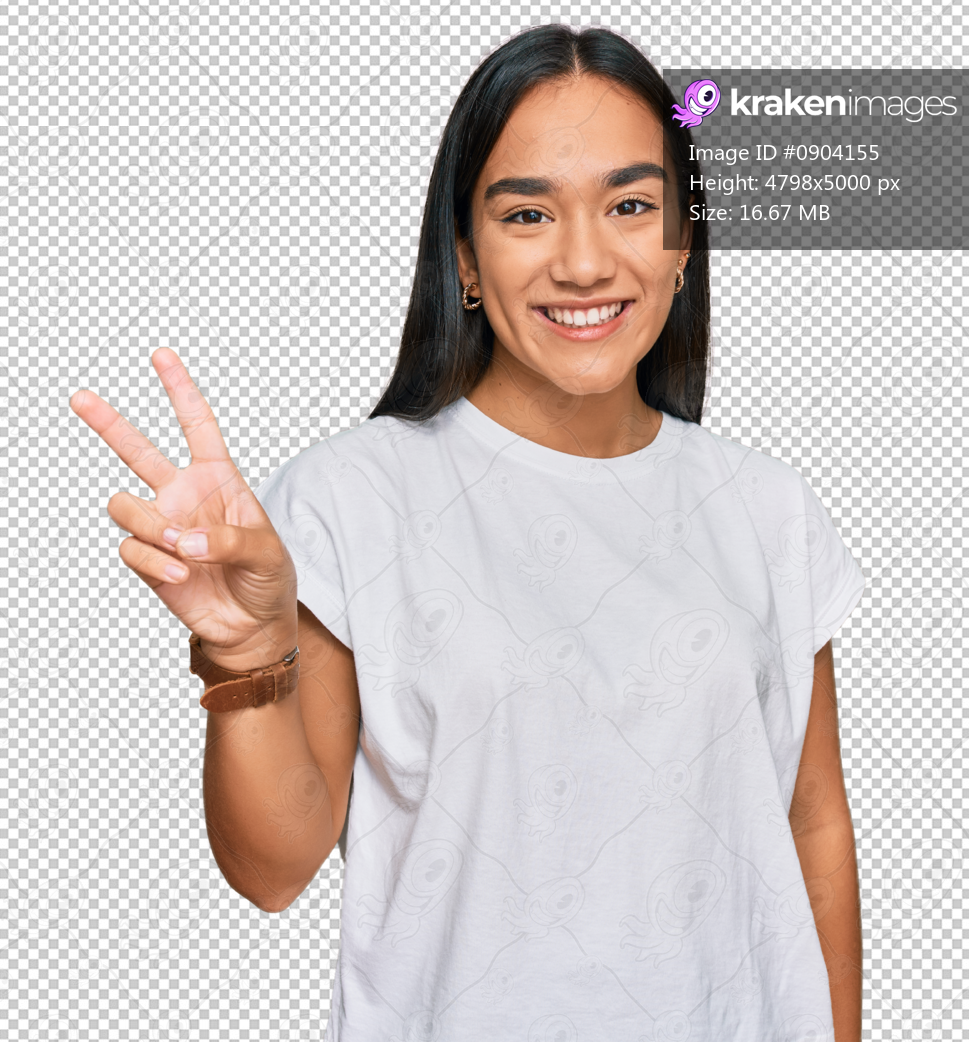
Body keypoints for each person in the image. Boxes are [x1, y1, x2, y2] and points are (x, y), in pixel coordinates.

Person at [70, 23, 865, 1042]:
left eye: (630, 206)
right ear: (467, 260)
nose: (583, 261)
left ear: (680, 248)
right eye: (527, 213)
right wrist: (244, 652)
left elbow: (811, 822)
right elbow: (273, 870)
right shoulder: (354, 496)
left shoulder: (765, 509)